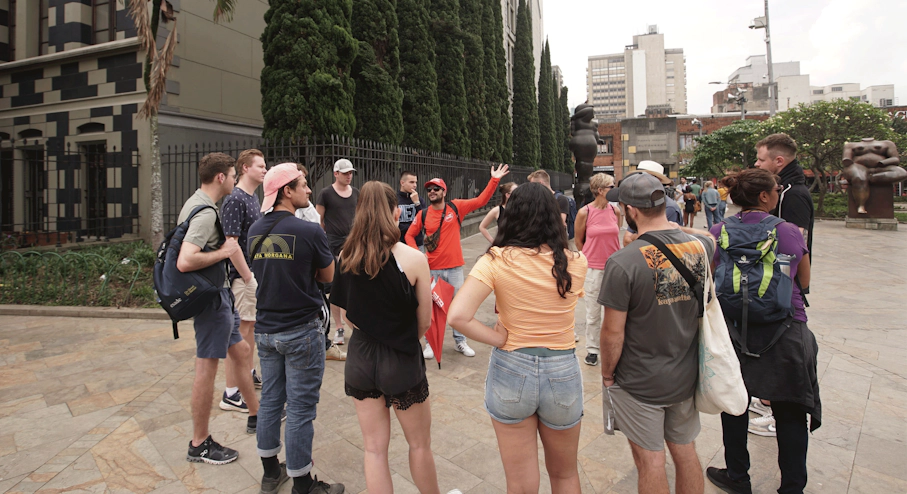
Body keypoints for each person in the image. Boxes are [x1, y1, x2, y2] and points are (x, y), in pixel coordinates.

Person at [448, 182, 588, 493]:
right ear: (555, 217)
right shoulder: (576, 262)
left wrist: (497, 339)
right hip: (562, 370)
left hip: (512, 368)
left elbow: (457, 316)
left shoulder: (497, 259)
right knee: (565, 475)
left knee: (521, 482)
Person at [599, 171, 715, 493]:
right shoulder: (701, 247)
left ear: (631, 211)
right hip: (684, 374)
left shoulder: (623, 262)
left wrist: (608, 376)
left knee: (650, 460)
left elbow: (612, 333)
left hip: (641, 381)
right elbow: (711, 239)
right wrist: (678, 229)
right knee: (685, 450)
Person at [706, 168, 820, 494]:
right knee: (790, 411)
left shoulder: (718, 230)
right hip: (786, 331)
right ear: (764, 196)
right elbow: (805, 281)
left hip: (735, 332)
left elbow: (713, 280)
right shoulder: (788, 232)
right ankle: (792, 486)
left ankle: (738, 477)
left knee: (736, 405)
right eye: (775, 189)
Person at [331, 181, 448, 494]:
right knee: (419, 445)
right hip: (400, 357)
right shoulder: (412, 259)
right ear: (395, 212)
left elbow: (347, 312)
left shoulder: (346, 255)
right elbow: (424, 320)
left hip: (360, 358)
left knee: (373, 449)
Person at [249, 163, 343, 494]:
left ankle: (270, 472)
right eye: (303, 185)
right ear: (286, 191)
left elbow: (265, 272)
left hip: (266, 331)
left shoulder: (254, 230)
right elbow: (329, 277)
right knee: (301, 408)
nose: (307, 190)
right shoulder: (309, 231)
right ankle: (303, 484)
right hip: (301, 330)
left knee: (272, 399)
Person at [177, 152, 259, 465]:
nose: (236, 180)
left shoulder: (195, 202)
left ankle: (256, 414)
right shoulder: (206, 213)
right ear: (221, 177)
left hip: (221, 295)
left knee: (240, 351)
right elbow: (186, 260)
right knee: (206, 367)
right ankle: (199, 442)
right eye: (232, 175)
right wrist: (224, 251)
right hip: (211, 299)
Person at [405, 163, 511, 359]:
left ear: (444, 191)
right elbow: (410, 235)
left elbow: (481, 200)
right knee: (432, 308)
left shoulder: (456, 207)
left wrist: (494, 179)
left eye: (436, 189)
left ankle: (460, 341)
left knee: (458, 308)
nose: (432, 192)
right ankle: (430, 344)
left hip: (454, 269)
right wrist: (418, 255)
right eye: (429, 189)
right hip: (432, 269)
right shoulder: (424, 214)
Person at [219, 149, 266, 413]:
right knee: (240, 333)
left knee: (249, 329)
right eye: (260, 166)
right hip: (243, 277)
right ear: (246, 168)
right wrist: (248, 277)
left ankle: (247, 375)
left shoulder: (251, 197)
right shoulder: (236, 199)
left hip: (251, 274)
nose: (264, 170)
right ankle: (231, 392)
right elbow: (231, 243)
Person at [295, 164, 345, 362]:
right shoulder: (325, 194)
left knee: (322, 302)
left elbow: (316, 224)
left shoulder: (307, 207)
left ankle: (323, 343)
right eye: (303, 183)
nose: (308, 190)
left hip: (313, 264)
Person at [573, 173, 621, 366]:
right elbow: (578, 240)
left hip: (614, 268)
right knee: (593, 313)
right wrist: (588, 257)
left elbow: (616, 235)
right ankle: (592, 349)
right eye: (611, 186)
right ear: (600, 190)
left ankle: (612, 347)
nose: (614, 189)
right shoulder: (585, 212)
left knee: (614, 312)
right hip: (593, 268)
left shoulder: (615, 211)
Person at [316, 159, 360, 347]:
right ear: (336, 174)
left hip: (354, 244)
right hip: (334, 245)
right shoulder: (326, 193)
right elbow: (319, 220)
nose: (348, 175)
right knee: (335, 287)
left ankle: (355, 323)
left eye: (350, 172)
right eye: (345, 173)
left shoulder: (356, 193)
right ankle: (339, 327)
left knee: (355, 285)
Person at [754, 133, 814, 252]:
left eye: (761, 160)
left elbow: (797, 245)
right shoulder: (781, 188)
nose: (757, 164)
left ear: (779, 161)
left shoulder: (794, 194)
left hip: (783, 269)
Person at [622, 161, 683, 245]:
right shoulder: (639, 203)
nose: (639, 181)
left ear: (657, 180)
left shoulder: (669, 208)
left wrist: (635, 237)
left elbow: (663, 243)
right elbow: (626, 240)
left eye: (644, 177)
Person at [397, 170, 427, 248]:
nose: (415, 185)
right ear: (402, 183)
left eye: (415, 182)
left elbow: (425, 220)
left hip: (417, 242)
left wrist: (417, 203)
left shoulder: (419, 199)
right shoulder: (394, 199)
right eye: (411, 182)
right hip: (400, 243)